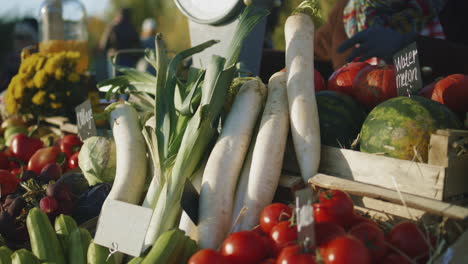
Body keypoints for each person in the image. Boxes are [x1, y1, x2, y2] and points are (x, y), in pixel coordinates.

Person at [315, 0, 468, 84]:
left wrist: (409, 46)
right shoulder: (346, 10)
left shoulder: (457, 9)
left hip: (433, 132)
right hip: (353, 136)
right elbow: (313, 60)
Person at [99, 8, 141, 78]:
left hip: (115, 58)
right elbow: (138, 45)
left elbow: (104, 45)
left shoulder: (113, 27)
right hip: (129, 59)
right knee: (129, 83)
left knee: (115, 82)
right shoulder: (133, 28)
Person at [0, 18, 38, 92]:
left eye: (26, 37)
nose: (21, 41)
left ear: (34, 40)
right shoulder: (9, 60)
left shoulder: (38, 59)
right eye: (18, 37)